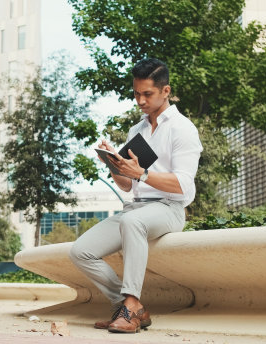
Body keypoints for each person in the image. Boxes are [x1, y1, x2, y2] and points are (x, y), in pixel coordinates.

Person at [69, 58, 203, 333]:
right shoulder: (137, 130)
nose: (140, 101)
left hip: (169, 208)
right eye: (136, 94)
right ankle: (130, 307)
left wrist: (141, 173)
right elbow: (128, 186)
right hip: (136, 208)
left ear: (165, 91)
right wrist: (113, 163)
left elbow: (184, 187)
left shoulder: (182, 128)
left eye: (147, 94)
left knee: (133, 223)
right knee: (81, 252)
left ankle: (129, 308)